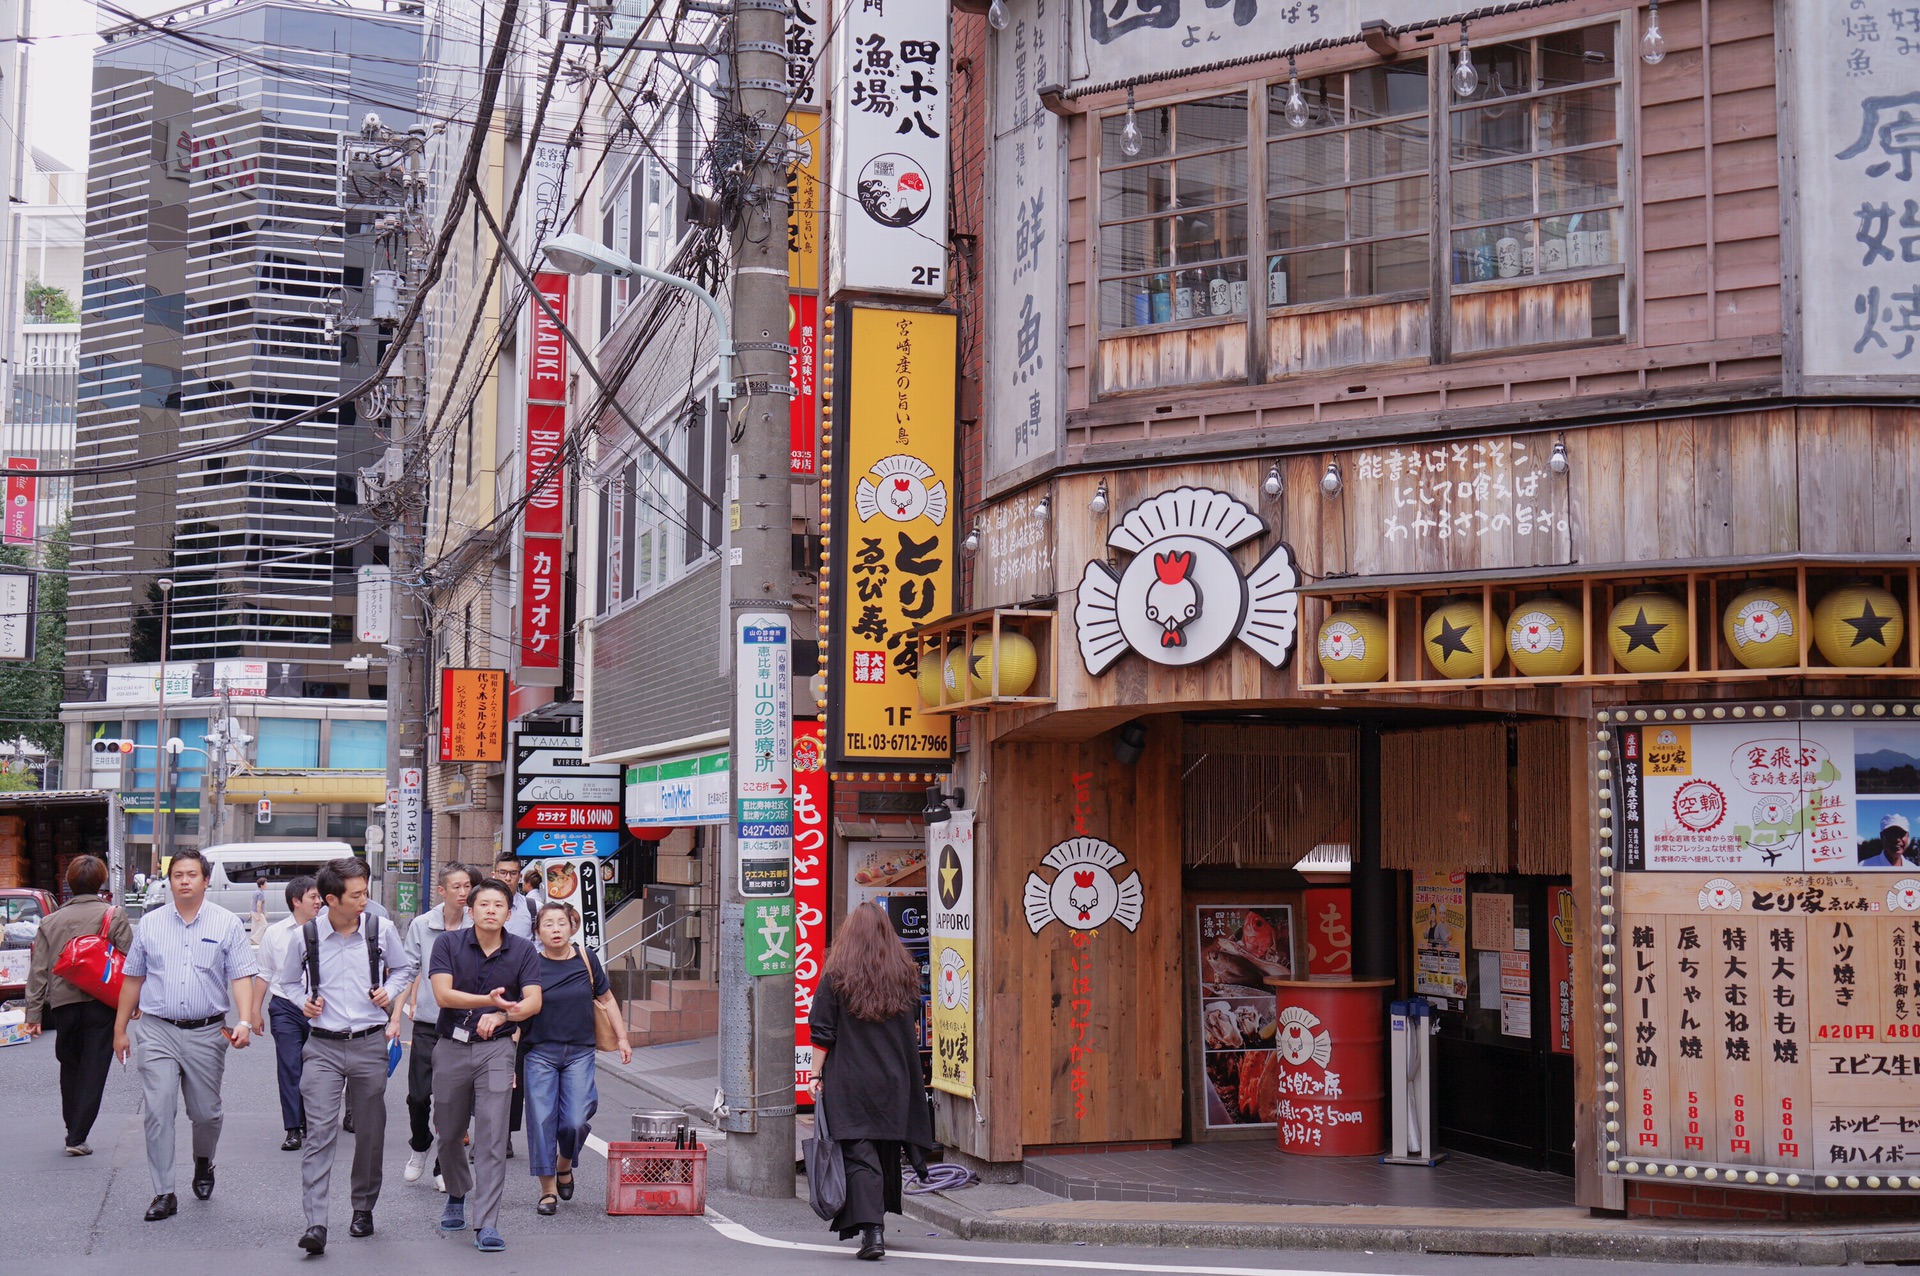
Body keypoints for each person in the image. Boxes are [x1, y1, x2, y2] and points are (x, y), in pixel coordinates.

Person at [112, 848, 260, 1223]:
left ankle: (203, 1161)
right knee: (159, 1111)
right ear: (170, 881)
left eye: (192, 874)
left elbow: (241, 975)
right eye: (177, 874)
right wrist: (120, 1029)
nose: (184, 881)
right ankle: (164, 1191)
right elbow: (133, 978)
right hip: (157, 1030)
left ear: (206, 880)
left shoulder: (226, 924)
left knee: (206, 1114)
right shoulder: (150, 924)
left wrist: (243, 1020)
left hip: (206, 1032)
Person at [278, 857, 412, 1254]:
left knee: (370, 1132)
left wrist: (390, 991)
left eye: (366, 891)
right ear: (331, 899)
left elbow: (404, 971)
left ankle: (363, 1207)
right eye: (357, 894)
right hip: (321, 1046)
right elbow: (286, 981)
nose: (365, 899)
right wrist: (304, 1001)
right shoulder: (307, 936)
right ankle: (316, 1223)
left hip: (370, 1042)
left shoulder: (380, 928)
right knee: (319, 1134)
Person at [807, 902, 934, 1261]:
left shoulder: (837, 974)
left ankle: (872, 1231)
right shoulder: (905, 973)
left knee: (859, 1155)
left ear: (849, 934)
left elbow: (823, 1032)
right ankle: (875, 1222)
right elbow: (911, 1027)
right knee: (884, 1150)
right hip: (895, 1080)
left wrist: (814, 1075)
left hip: (851, 1080)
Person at [430, 877, 543, 1252]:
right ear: (470, 909)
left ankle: (487, 1223)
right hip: (451, 1046)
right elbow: (443, 994)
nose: (491, 910)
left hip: (497, 1050)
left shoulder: (524, 951)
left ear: (509, 914)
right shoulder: (448, 944)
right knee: (447, 1131)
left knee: (493, 1137)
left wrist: (506, 1013)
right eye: (484, 904)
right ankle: (457, 1192)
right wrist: (489, 1003)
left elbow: (533, 1001)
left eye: (498, 906)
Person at [24, 855, 136, 1155]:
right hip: (102, 1002)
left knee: (70, 1065)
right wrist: (134, 1002)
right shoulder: (114, 915)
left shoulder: (50, 921)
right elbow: (129, 962)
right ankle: (77, 1135)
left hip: (64, 1004)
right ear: (100, 882)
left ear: (69, 883)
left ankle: (72, 1126)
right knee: (94, 1069)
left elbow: (38, 970)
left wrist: (33, 1013)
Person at [523, 902, 629, 1214]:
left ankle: (564, 1163)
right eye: (548, 924)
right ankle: (547, 1190)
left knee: (576, 1119)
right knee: (542, 1120)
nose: (555, 929)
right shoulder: (530, 964)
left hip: (580, 1052)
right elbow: (519, 1010)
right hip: (539, 1052)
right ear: (537, 932)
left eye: (561, 923)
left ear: (573, 927)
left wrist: (622, 1038)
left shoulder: (586, 958)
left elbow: (606, 999)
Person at [402, 860, 472, 1189]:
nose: (463, 892)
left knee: (451, 1100)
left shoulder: (479, 924)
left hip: (466, 1026)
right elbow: (406, 971)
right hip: (429, 1023)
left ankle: (444, 1166)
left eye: (467, 886)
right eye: (456, 887)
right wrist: (394, 1017)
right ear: (441, 890)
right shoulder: (422, 925)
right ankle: (420, 1145)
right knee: (418, 1097)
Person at [255, 875, 324, 1150]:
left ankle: (314, 1119)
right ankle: (294, 1127)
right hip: (285, 1006)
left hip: (320, 1009)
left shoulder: (328, 929)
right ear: (296, 901)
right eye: (313, 897)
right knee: (289, 1065)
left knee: (317, 1069)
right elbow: (264, 973)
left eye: (320, 897)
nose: (319, 902)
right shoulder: (275, 933)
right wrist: (253, 1013)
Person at [493, 851, 539, 1155]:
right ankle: (484, 1130)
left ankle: (505, 1134)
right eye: (502, 872)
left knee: (514, 1068)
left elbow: (538, 948)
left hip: (518, 997)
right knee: (480, 1065)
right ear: (494, 872)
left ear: (519, 876)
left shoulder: (532, 908)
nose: (508, 877)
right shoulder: (481, 901)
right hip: (481, 992)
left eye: (513, 873)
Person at [250, 877, 268, 942]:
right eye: (265, 884)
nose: (266, 885)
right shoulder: (260, 893)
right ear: (261, 885)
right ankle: (255, 938)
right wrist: (258, 915)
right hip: (257, 912)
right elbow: (259, 904)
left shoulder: (255, 892)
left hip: (253, 911)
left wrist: (250, 912)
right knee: (264, 924)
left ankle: (253, 940)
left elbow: (252, 902)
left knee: (255, 926)